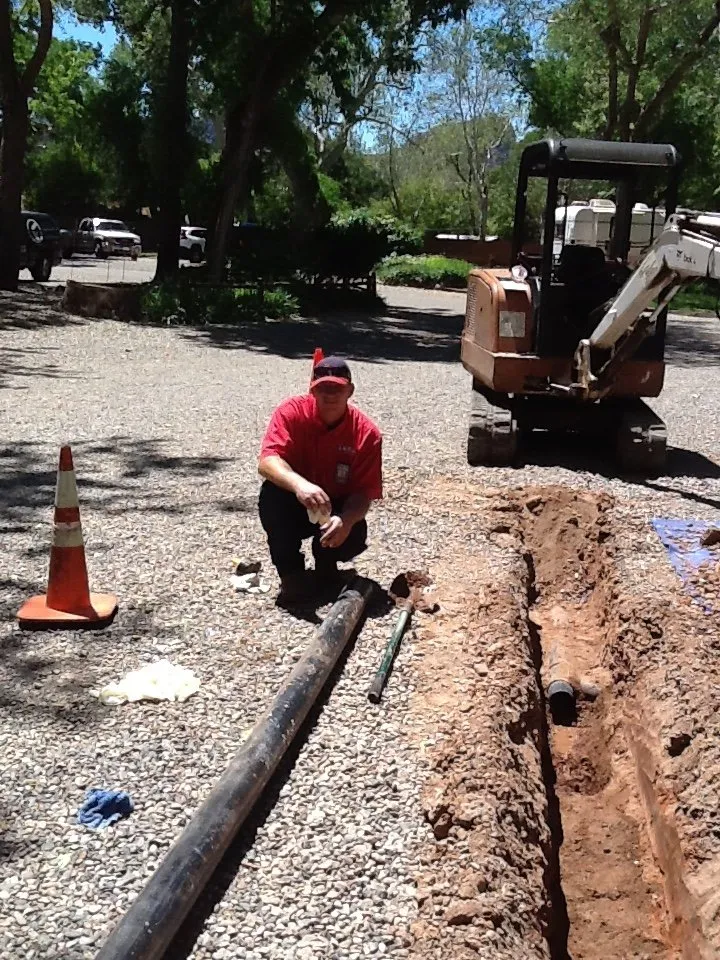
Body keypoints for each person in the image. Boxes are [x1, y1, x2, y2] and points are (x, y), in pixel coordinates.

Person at [258, 355, 383, 604]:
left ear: (350, 391)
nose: (330, 394)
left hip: (336, 506)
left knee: (355, 528)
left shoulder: (367, 434)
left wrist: (345, 521)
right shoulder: (290, 413)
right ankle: (291, 576)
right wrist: (299, 485)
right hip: (296, 501)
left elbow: (364, 492)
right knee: (271, 497)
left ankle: (327, 568)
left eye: (337, 388)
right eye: (323, 388)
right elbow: (267, 461)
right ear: (312, 391)